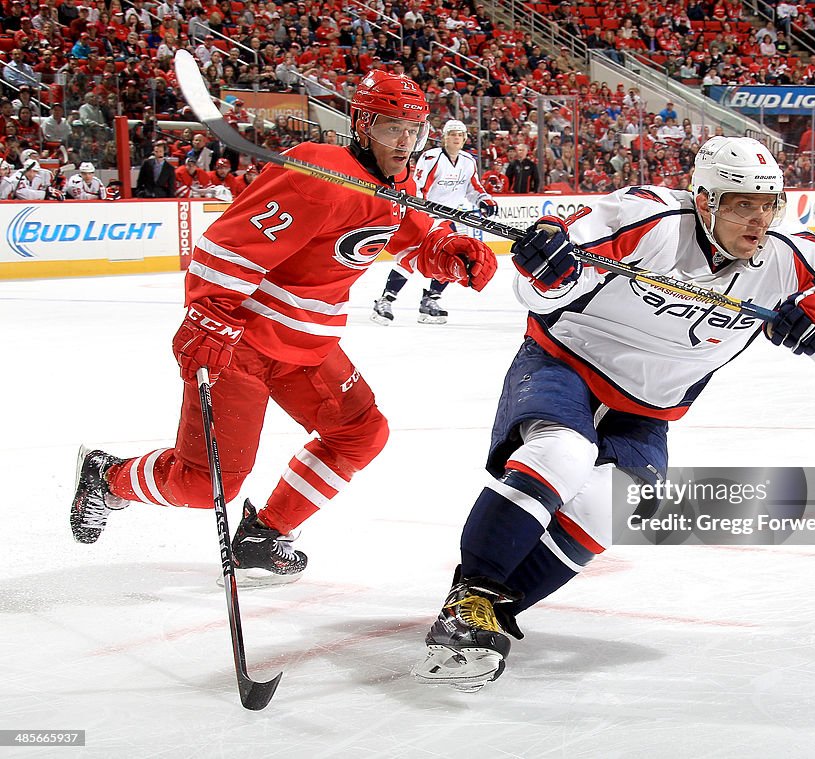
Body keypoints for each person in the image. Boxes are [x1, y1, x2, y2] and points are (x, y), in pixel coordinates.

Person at [411, 135, 815, 691]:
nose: (758, 220)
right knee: (563, 451)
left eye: (768, 205)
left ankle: (489, 608)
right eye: (741, 204)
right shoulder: (649, 217)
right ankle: (474, 594)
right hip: (569, 358)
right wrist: (548, 268)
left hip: (650, 402)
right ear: (706, 201)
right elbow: (538, 290)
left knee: (616, 504)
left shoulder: (791, 258)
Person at [69, 71, 497, 586]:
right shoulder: (319, 173)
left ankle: (263, 535)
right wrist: (208, 316)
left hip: (308, 345)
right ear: (362, 125)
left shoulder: (396, 181)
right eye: (390, 127)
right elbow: (227, 246)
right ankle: (107, 476)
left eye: (414, 128)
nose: (404, 141)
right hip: (241, 343)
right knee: (208, 486)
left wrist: (442, 252)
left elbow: (401, 233)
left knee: (360, 433)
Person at [371, 119, 498, 326]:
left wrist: (485, 200)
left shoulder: (468, 161)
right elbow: (418, 188)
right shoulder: (431, 157)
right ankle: (386, 299)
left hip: (450, 219)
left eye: (460, 135)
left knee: (452, 259)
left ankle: (431, 300)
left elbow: (473, 188)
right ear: (444, 137)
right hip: (426, 218)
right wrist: (423, 213)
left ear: (465, 139)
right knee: (410, 258)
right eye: (452, 134)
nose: (456, 138)